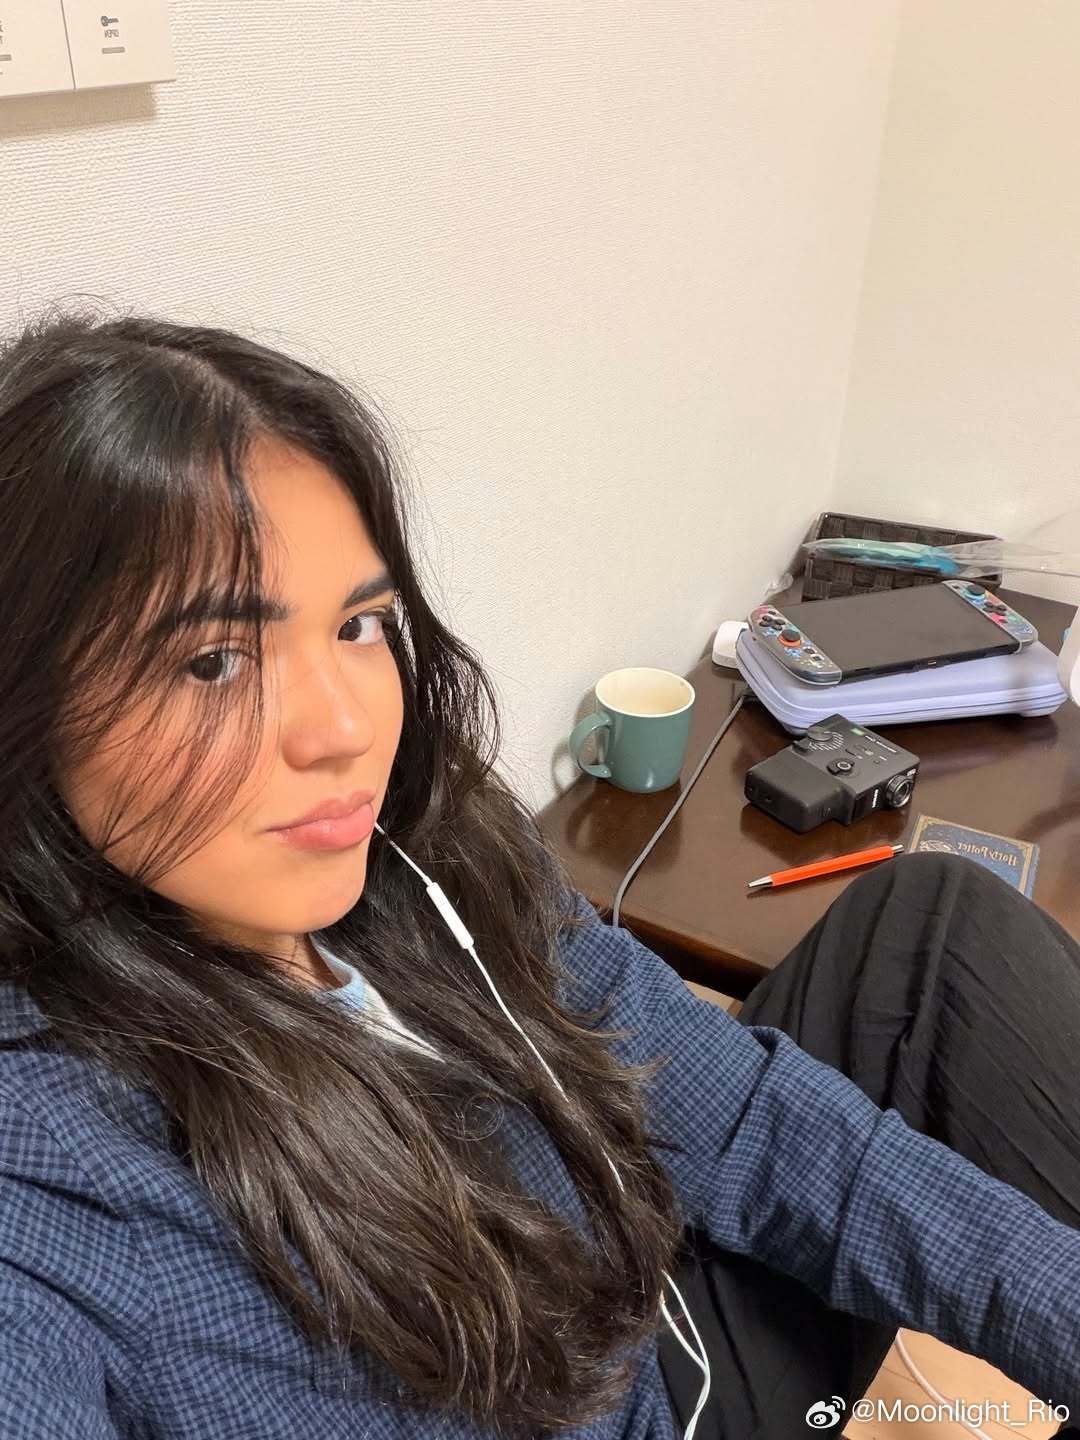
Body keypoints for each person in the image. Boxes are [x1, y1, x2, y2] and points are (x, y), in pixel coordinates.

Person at [0, 306, 1077, 1440]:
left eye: (359, 626)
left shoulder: (430, 847)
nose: (345, 730)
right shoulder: (50, 1172)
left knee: (937, 925)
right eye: (215, 661)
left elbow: (745, 1117)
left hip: (651, 1314)